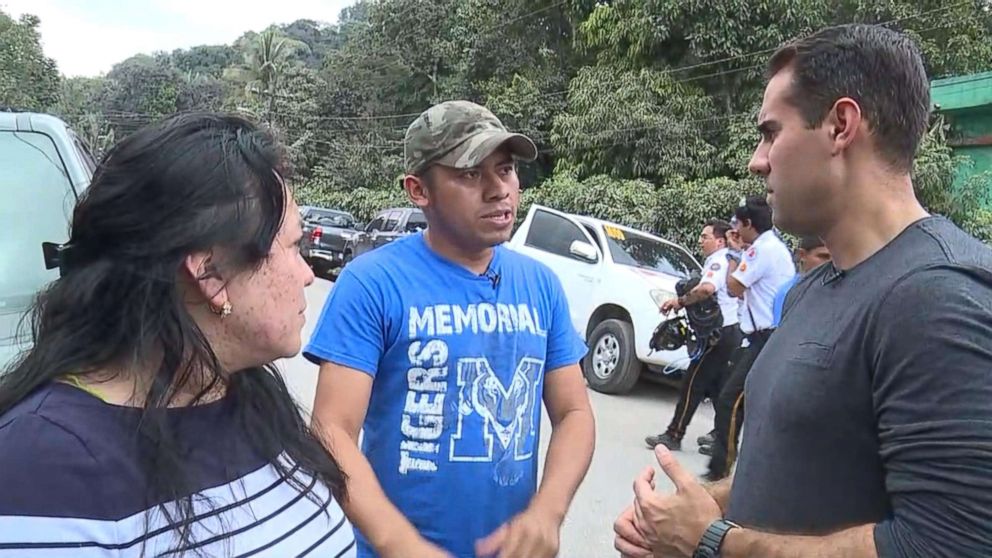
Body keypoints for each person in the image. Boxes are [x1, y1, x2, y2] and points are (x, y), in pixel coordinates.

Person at [614, 24, 992, 558]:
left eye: (771, 132)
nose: (756, 159)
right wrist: (699, 508)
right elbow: (795, 474)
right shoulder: (808, 291)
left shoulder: (938, 297)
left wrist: (712, 542)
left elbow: (945, 545)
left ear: (841, 125)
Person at [0, 113, 355, 556]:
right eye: (293, 247)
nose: (307, 275)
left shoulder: (252, 398)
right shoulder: (44, 467)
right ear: (210, 273)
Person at [305, 100, 595, 558]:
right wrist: (400, 545)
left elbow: (574, 413)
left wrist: (548, 512)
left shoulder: (541, 285)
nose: (500, 190)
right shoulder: (373, 283)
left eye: (505, 170)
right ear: (419, 190)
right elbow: (332, 429)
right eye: (471, 175)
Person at [702, 195, 794, 480]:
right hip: (764, 337)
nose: (735, 232)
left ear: (748, 224)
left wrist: (733, 254)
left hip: (765, 338)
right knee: (743, 399)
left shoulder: (760, 251)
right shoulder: (772, 247)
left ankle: (721, 470)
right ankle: (733, 467)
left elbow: (732, 287)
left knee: (731, 399)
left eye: (737, 226)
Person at [645, 219, 741, 452]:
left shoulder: (718, 262)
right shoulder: (731, 259)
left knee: (693, 384)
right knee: (719, 387)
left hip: (718, 335)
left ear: (719, 241)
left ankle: (674, 435)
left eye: (704, 237)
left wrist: (680, 301)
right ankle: (723, 437)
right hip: (732, 332)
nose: (700, 241)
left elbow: (707, 289)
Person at [771, 235, 831, 326]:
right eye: (823, 256)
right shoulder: (788, 292)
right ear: (802, 255)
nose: (830, 263)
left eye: (833, 257)